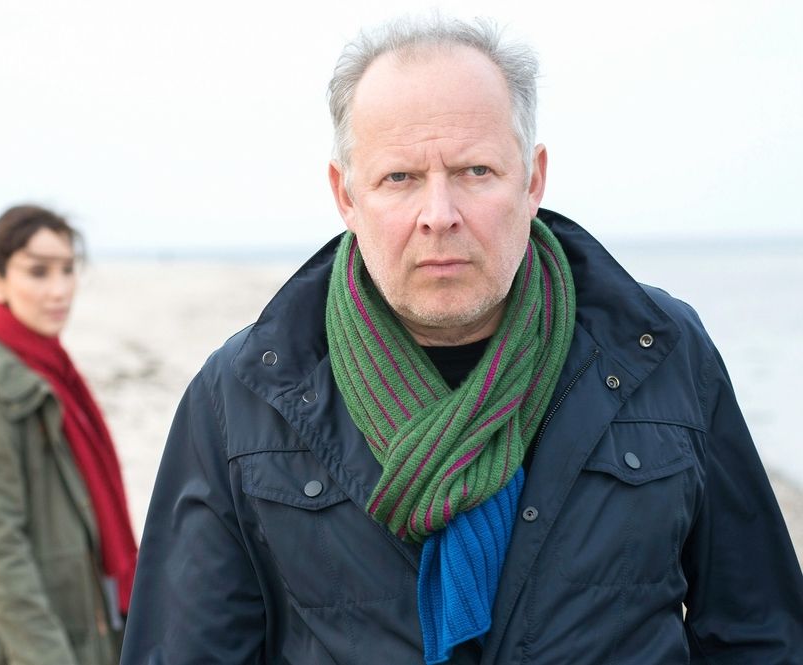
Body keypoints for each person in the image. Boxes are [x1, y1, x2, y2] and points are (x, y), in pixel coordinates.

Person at [120, 16, 803, 665]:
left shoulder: (662, 352)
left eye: (476, 171)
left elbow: (760, 634)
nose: (439, 215)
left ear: (532, 179)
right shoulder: (245, 393)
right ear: (346, 194)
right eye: (400, 178)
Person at [0, 205, 138, 665]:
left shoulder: (55, 375)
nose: (59, 289)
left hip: (91, 624)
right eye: (38, 272)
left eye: (67, 269)